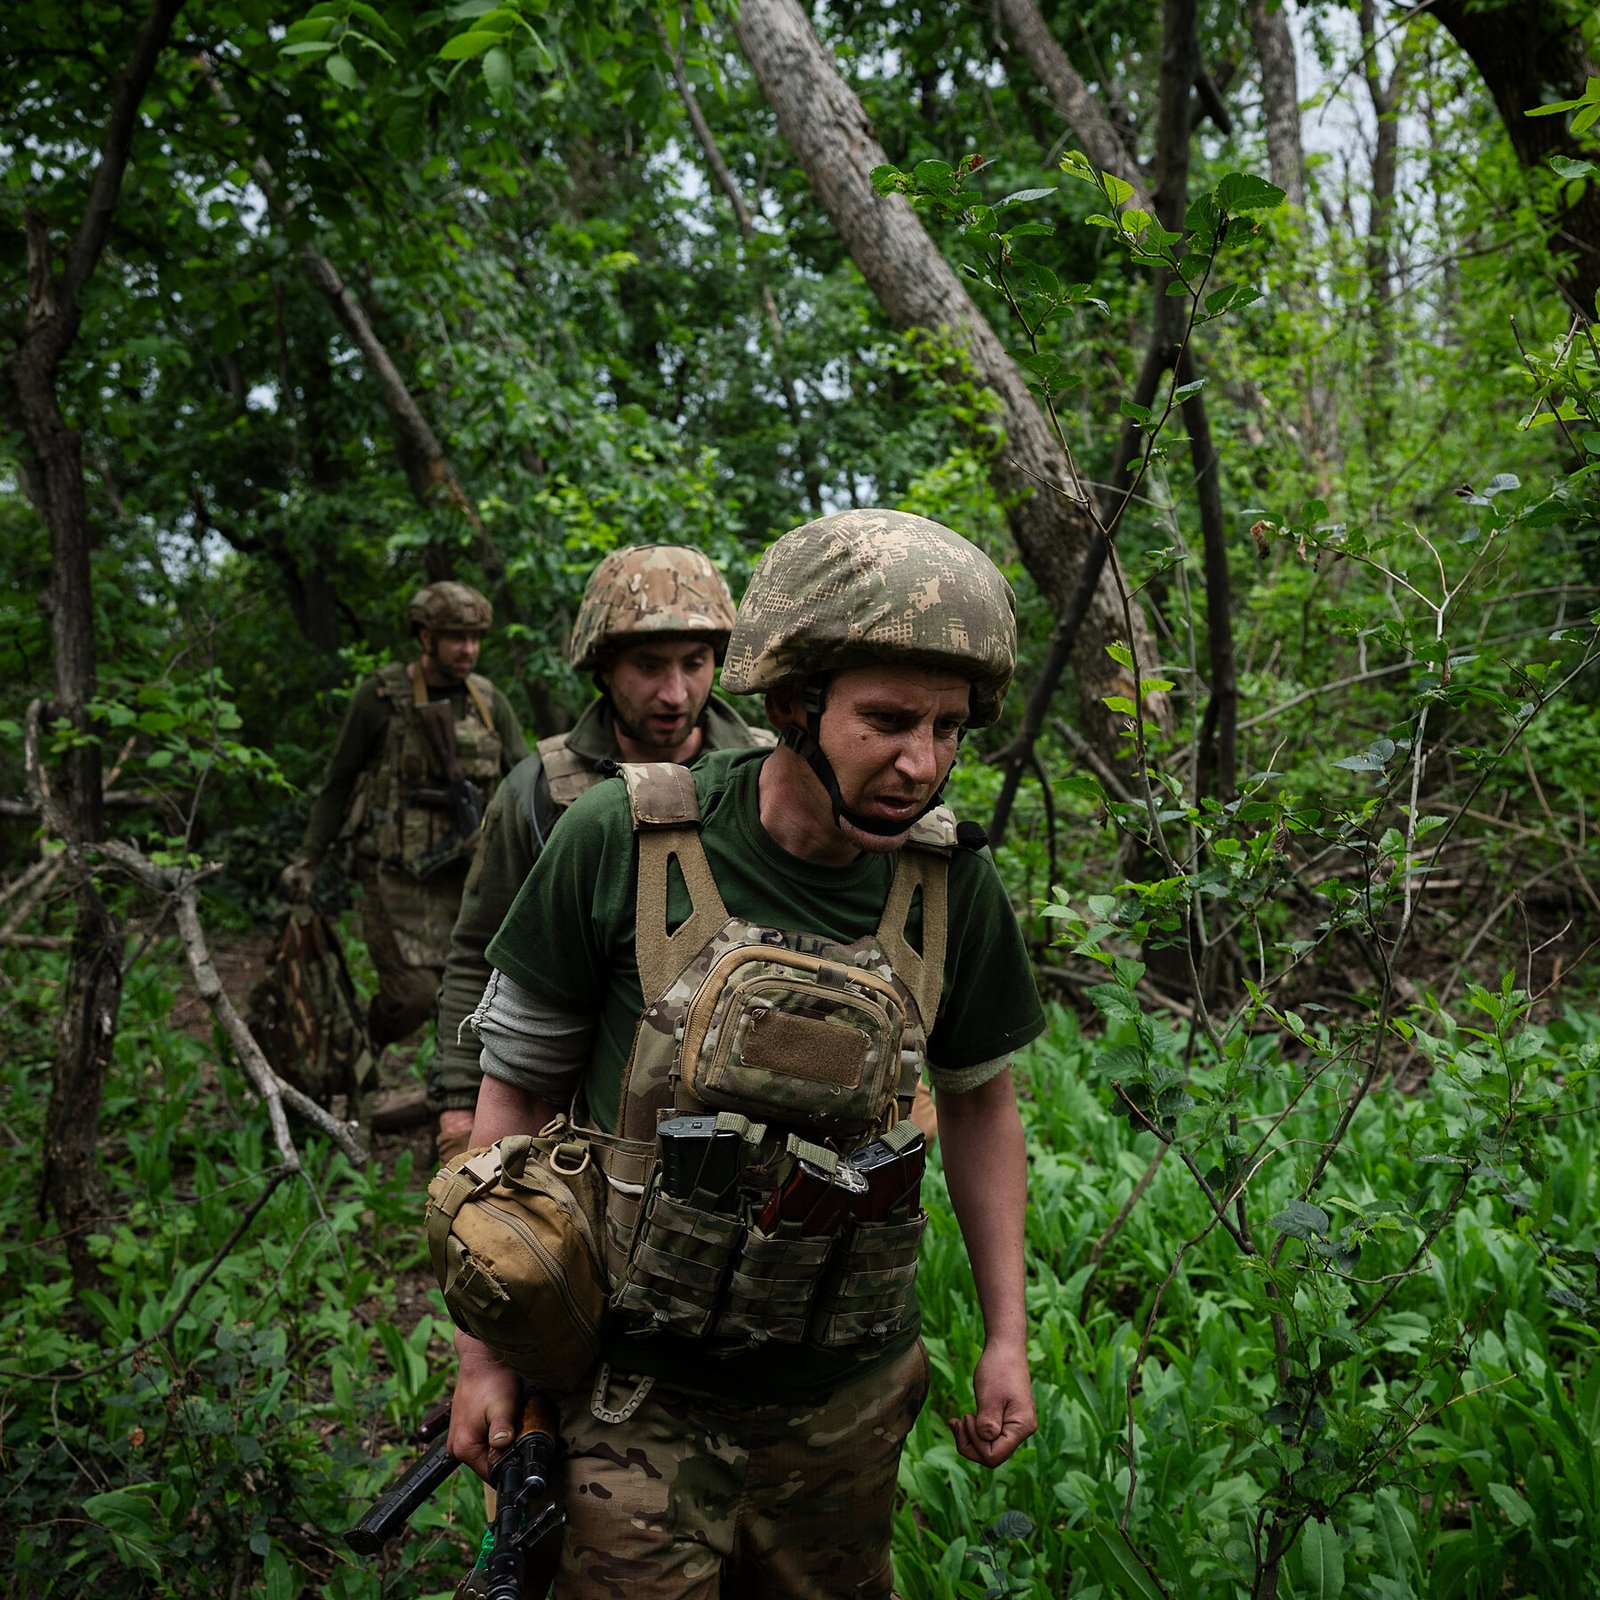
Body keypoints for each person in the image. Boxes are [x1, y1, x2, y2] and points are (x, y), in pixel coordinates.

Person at [447, 509, 1044, 1598]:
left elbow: (979, 1106)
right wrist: (486, 1357)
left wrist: (1007, 1335)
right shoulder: (617, 838)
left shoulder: (953, 884)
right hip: (633, 1396)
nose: (922, 761)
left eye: (949, 726)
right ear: (788, 705)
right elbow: (514, 1094)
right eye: (886, 719)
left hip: (844, 1405)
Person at [430, 545, 768, 1165]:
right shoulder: (538, 792)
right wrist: (458, 1097)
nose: (674, 693)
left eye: (695, 663)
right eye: (648, 666)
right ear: (604, 667)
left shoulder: (772, 776)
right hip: (571, 1107)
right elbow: (482, 948)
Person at [281, 581, 528, 1052]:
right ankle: (362, 1044)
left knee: (473, 997)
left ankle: (450, 1086)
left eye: (475, 638)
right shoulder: (379, 698)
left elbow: (525, 782)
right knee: (413, 997)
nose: (469, 649)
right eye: (456, 637)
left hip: (468, 878)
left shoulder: (489, 702)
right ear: (425, 637)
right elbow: (338, 782)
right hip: (392, 876)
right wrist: (309, 859)